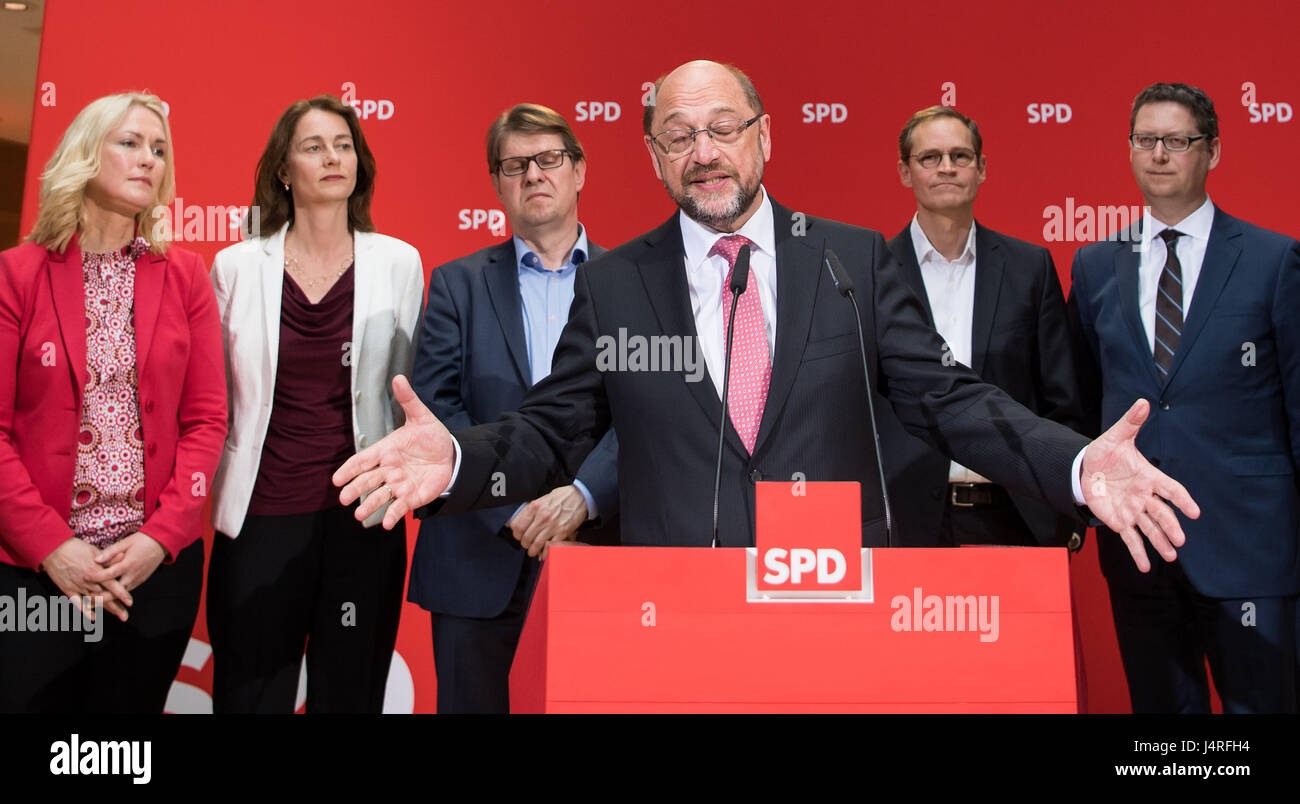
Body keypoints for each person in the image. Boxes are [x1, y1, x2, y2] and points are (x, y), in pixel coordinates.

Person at [336, 60, 1197, 579]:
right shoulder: (618, 285)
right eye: (678, 136)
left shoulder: (852, 261)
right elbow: (549, 431)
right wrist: (455, 458)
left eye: (722, 128)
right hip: (676, 618)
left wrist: (1078, 463)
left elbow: (951, 399)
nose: (703, 152)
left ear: (764, 137)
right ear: (652, 157)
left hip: (831, 604)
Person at [1068, 82, 1300, 713]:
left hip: (1251, 547)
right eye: (1146, 140)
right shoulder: (1094, 264)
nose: (1160, 155)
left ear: (1213, 151)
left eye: (1178, 140)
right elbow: (1087, 402)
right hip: (1141, 547)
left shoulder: (1274, 260)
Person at [0, 92, 226, 713]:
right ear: (84, 153)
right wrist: (52, 548)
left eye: (158, 149)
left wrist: (161, 538)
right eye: (129, 143)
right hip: (34, 571)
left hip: (151, 572)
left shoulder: (186, 276)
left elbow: (207, 422)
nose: (147, 159)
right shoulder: (16, 275)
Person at [207, 95, 424, 713]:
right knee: (249, 697)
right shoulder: (236, 267)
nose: (333, 157)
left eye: (344, 144)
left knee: (351, 697)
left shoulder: (400, 263)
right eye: (313, 146)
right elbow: (215, 398)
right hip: (260, 519)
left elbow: (405, 393)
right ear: (283, 169)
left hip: (363, 520)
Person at [407, 103, 618, 713]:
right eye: (515, 164)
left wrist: (582, 496)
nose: (534, 175)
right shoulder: (456, 284)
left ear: (578, 171)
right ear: (497, 183)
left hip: (597, 550)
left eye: (550, 159)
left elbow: (646, 413)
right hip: (479, 556)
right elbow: (438, 411)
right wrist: (517, 510)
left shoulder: (632, 283)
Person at [878, 106, 1084, 549]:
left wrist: (1065, 510)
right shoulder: (871, 270)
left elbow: (1061, 403)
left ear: (982, 168)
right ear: (904, 172)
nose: (947, 167)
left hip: (1018, 518)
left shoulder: (1030, 269)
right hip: (906, 522)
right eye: (929, 157)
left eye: (961, 156)